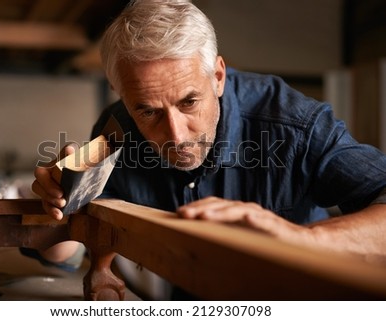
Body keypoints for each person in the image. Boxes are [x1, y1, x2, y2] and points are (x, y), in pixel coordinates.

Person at [30, 0, 386, 298]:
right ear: (118, 90)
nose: (177, 136)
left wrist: (299, 240)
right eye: (148, 111)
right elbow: (77, 239)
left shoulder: (295, 125)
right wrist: (63, 209)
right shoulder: (116, 129)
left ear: (217, 77)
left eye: (189, 102)